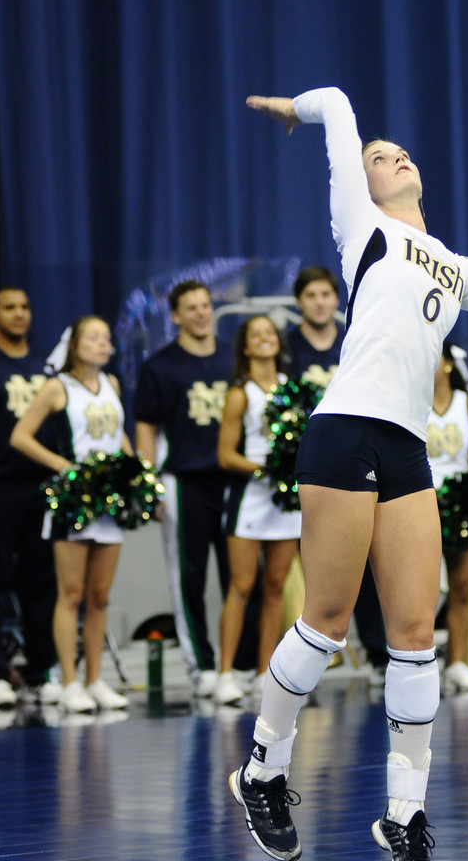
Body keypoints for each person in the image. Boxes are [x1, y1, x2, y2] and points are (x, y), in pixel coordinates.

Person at [226, 87, 468, 861]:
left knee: (417, 634)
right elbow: (338, 104)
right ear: (362, 179)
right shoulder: (364, 227)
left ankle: (405, 816)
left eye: (399, 152)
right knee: (327, 620)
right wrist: (294, 110)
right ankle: (262, 769)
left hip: (407, 447)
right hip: (344, 431)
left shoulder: (450, 262)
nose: (394, 158)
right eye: (379, 157)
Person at [134, 280, 257, 699]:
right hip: (184, 481)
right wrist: (148, 483)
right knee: (188, 575)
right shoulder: (160, 366)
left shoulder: (234, 360)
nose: (201, 313)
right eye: (191, 308)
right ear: (175, 316)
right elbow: (146, 427)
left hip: (235, 480)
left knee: (240, 577)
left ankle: (238, 664)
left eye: (206, 305)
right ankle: (201, 667)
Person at [10, 316, 131, 714]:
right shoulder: (57, 388)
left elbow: (119, 434)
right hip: (75, 502)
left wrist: (136, 471)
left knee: (99, 597)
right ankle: (69, 681)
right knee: (71, 594)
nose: (102, 344)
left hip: (109, 501)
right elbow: (20, 437)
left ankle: (95, 680)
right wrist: (65, 467)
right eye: (93, 338)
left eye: (106, 338)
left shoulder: (112, 384)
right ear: (75, 345)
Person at [286, 265, 389, 681]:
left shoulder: (354, 339)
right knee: (302, 565)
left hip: (355, 461)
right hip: (303, 465)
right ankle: (292, 662)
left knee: (364, 560)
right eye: (310, 296)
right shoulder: (286, 347)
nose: (320, 302)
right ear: (299, 302)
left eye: (326, 294)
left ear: (337, 298)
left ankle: (379, 653)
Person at [0, 286, 58, 708]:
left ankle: (42, 672)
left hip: (43, 490)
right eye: (9, 308)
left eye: (24, 307)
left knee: (44, 583)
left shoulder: (47, 364)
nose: (19, 314)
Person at [216, 315, 301, 706]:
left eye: (270, 333)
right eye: (256, 334)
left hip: (283, 502)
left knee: (275, 587)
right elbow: (224, 454)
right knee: (241, 586)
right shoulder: (240, 393)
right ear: (246, 347)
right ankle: (226, 673)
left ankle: (265, 671)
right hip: (250, 497)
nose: (265, 338)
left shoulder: (291, 390)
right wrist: (266, 469)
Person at [427, 342, 468, 693]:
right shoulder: (412, 404)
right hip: (420, 503)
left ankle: (458, 664)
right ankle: (414, 662)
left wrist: (457, 496)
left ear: (449, 363)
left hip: (462, 505)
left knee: (461, 588)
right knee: (423, 590)